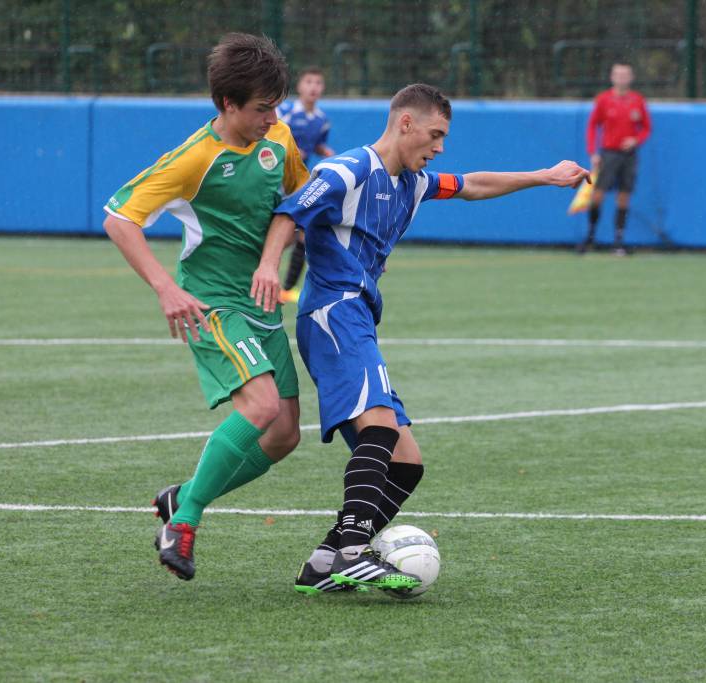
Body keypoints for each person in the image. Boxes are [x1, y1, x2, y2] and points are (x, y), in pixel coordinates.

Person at [265, 83, 589, 594]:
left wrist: (544, 177)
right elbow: (290, 211)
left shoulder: (411, 182)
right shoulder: (348, 169)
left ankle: (325, 559)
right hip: (333, 312)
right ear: (406, 123)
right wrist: (268, 270)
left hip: (358, 318)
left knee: (407, 463)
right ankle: (353, 551)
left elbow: (473, 184)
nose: (439, 147)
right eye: (435, 135)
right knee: (380, 429)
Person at [102, 33, 309, 581]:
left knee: (285, 433)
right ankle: (184, 522)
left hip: (261, 305)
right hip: (213, 304)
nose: (272, 117)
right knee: (261, 407)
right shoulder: (193, 159)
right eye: (262, 108)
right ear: (227, 104)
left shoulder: (280, 138)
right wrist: (166, 289)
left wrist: (270, 262)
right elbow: (119, 218)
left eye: (276, 106)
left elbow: (294, 204)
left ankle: (183, 496)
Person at [578, 62, 651, 256]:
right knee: (598, 194)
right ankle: (590, 237)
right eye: (618, 75)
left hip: (629, 156)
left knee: (624, 195)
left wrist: (635, 140)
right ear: (612, 77)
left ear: (631, 78)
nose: (621, 78)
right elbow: (593, 126)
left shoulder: (637, 100)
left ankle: (618, 242)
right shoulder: (603, 100)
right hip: (608, 154)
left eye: (625, 75)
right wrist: (593, 152)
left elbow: (646, 128)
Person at [277, 67, 335, 297]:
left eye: (318, 82)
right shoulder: (285, 112)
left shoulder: (321, 120)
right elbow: (268, 137)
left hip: (297, 182)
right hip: (276, 179)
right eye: (309, 81)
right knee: (284, 235)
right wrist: (290, 150)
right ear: (299, 86)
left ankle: (286, 289)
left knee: (301, 233)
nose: (313, 87)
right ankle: (258, 275)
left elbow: (316, 145)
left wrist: (328, 153)